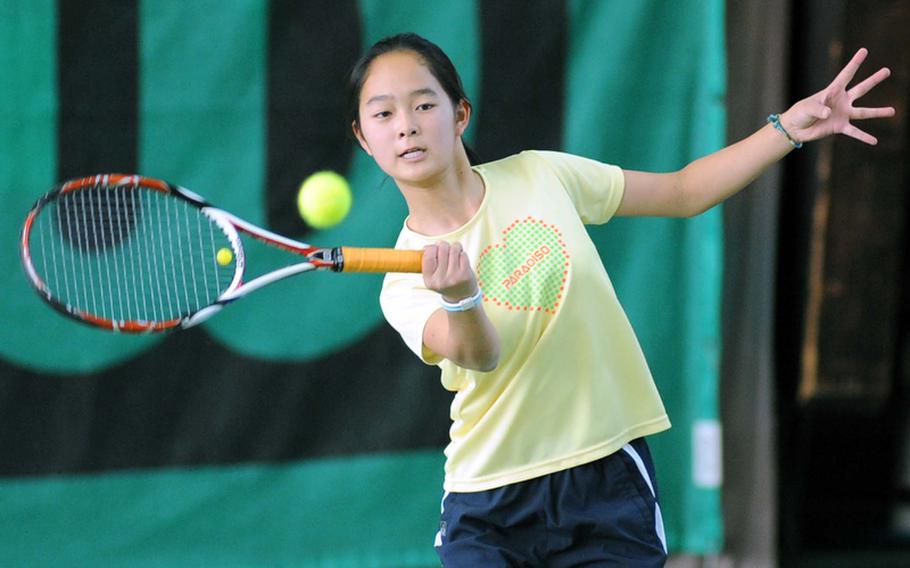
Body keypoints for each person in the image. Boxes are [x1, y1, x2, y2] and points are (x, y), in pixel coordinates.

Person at [346, 32, 894, 567]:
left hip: (605, 477)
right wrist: (462, 299)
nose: (407, 126)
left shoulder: (542, 176)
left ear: (460, 114)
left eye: (423, 104)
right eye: (384, 114)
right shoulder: (402, 280)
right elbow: (482, 355)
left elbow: (682, 193)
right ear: (364, 139)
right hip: (489, 501)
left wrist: (786, 130)